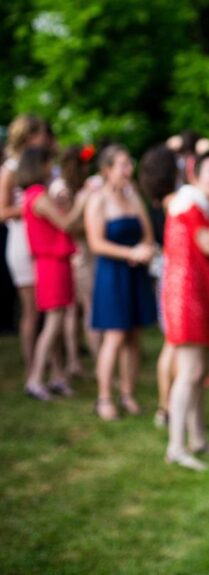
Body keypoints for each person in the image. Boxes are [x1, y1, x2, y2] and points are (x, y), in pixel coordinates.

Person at [163, 151, 209, 471]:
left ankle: (197, 438)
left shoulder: (194, 204)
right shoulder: (190, 205)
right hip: (185, 295)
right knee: (188, 372)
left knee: (199, 371)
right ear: (196, 176)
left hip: (198, 293)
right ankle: (175, 446)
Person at [86, 145, 158, 421]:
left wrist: (145, 249)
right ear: (107, 170)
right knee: (114, 336)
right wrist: (130, 252)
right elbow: (96, 242)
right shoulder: (98, 200)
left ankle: (127, 392)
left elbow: (148, 234)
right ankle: (104, 397)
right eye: (123, 165)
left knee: (134, 335)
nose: (129, 170)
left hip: (135, 272)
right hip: (112, 273)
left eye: (130, 164)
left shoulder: (134, 198)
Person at [21, 147, 89, 400]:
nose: (54, 167)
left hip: (52, 263)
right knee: (53, 324)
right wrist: (81, 204)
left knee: (55, 322)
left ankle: (55, 376)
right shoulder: (38, 196)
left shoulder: (34, 195)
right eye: (49, 162)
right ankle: (36, 378)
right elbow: (66, 224)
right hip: (52, 264)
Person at [1, 115, 49, 376]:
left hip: (42, 238)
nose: (45, 139)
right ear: (29, 136)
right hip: (21, 240)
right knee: (30, 310)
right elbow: (1, 211)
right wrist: (30, 207)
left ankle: (48, 364)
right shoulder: (10, 168)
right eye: (40, 134)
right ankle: (32, 365)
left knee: (48, 307)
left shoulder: (39, 165)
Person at [139, 145, 182, 428]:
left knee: (172, 342)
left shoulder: (153, 203)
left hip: (165, 273)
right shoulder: (174, 203)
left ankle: (168, 405)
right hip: (175, 273)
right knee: (174, 343)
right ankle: (169, 404)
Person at [49, 144, 100, 377]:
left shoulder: (77, 188)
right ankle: (87, 362)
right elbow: (68, 225)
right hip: (76, 255)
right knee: (83, 309)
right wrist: (91, 223)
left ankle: (74, 361)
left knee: (76, 311)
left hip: (80, 253)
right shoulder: (64, 190)